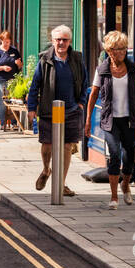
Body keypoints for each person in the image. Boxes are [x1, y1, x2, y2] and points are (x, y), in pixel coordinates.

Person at [84, 30, 135, 210]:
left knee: (128, 158)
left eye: (123, 49)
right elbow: (93, 95)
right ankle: (113, 197)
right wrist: (88, 120)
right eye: (116, 49)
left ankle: (125, 185)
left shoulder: (132, 69)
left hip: (129, 119)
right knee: (114, 156)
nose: (120, 52)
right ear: (109, 51)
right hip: (110, 120)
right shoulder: (102, 70)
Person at [26, 25, 88, 197]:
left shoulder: (76, 59)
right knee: (47, 145)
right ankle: (47, 170)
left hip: (71, 110)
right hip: (48, 110)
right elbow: (35, 86)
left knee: (67, 146)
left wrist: (81, 103)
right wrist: (32, 108)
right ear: (52, 41)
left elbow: (84, 83)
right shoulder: (44, 61)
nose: (61, 43)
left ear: (69, 41)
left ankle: (60, 184)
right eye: (58, 40)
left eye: (65, 40)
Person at [0, 30, 21, 129]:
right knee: (4, 101)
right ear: (1, 41)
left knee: (14, 101)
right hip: (1, 79)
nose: (6, 44)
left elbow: (20, 66)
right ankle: (3, 124)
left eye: (8, 42)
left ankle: (14, 123)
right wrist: (3, 68)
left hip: (13, 79)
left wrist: (18, 63)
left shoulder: (14, 50)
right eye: (4, 41)